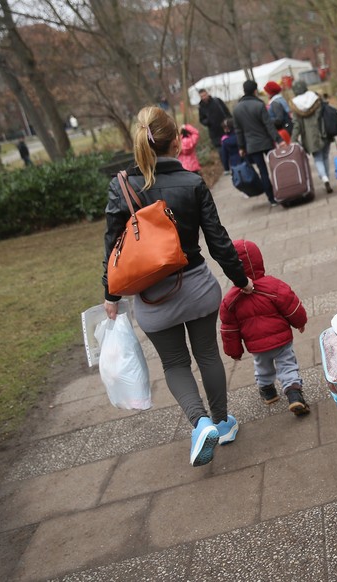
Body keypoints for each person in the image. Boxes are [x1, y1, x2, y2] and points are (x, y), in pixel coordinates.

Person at [101, 105, 253, 467]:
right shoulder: (193, 182)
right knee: (208, 355)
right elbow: (218, 240)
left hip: (152, 298)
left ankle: (199, 423)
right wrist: (241, 279)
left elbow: (112, 248)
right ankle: (222, 423)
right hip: (198, 288)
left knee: (174, 363)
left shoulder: (120, 187)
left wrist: (110, 295)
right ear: (175, 143)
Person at [219, 239, 310, 415]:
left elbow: (229, 329)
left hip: (257, 346)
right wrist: (300, 322)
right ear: (258, 260)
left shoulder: (230, 300)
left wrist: (234, 351)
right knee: (287, 364)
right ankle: (293, 394)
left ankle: (268, 391)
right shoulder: (273, 285)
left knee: (262, 366)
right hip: (281, 339)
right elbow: (291, 306)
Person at [232, 80, 281, 206]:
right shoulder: (259, 105)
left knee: (263, 171)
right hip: (266, 142)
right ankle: (282, 190)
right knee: (275, 167)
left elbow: (238, 131)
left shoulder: (237, 109)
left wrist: (241, 147)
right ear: (254, 91)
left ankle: (271, 199)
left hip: (251, 146)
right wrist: (279, 140)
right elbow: (269, 125)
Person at [289, 79, 333, 193]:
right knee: (325, 156)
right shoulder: (315, 98)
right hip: (323, 132)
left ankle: (324, 178)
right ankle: (327, 177)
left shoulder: (295, 105)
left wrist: (293, 139)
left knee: (318, 158)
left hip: (310, 137)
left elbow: (297, 125)